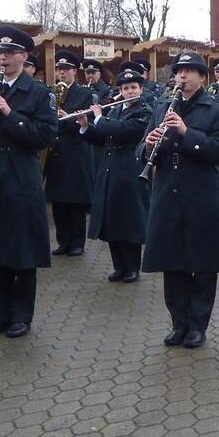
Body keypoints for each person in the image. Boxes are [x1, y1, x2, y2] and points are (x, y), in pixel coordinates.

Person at [0, 26, 58, 339]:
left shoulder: (40, 93)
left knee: (21, 249)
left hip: (20, 174)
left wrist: (10, 115)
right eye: (0, 52)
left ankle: (21, 316)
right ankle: (0, 314)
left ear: (23, 56)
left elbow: (45, 136)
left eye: (9, 53)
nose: (2, 58)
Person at [140, 52, 219, 349]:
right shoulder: (162, 106)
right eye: (179, 71)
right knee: (172, 261)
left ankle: (197, 325)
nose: (182, 76)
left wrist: (185, 132)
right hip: (168, 190)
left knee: (203, 262)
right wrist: (148, 146)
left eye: (190, 71)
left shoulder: (216, 109)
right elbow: (141, 148)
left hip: (201, 192)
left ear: (202, 77)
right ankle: (178, 323)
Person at [78, 68, 152, 282]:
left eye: (133, 87)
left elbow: (124, 130)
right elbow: (104, 138)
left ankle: (132, 268)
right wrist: (86, 126)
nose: (130, 92)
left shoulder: (145, 111)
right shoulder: (115, 109)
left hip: (130, 171)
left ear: (141, 89)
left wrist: (99, 118)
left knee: (129, 220)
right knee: (112, 220)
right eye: (126, 88)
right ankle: (119, 267)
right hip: (110, 170)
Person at [44, 50, 96, 257]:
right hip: (55, 152)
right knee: (58, 202)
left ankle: (77, 242)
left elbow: (87, 124)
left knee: (75, 201)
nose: (62, 72)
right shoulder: (51, 92)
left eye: (66, 69)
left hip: (75, 153)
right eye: (59, 69)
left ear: (74, 71)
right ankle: (63, 241)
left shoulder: (84, 94)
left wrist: (66, 117)